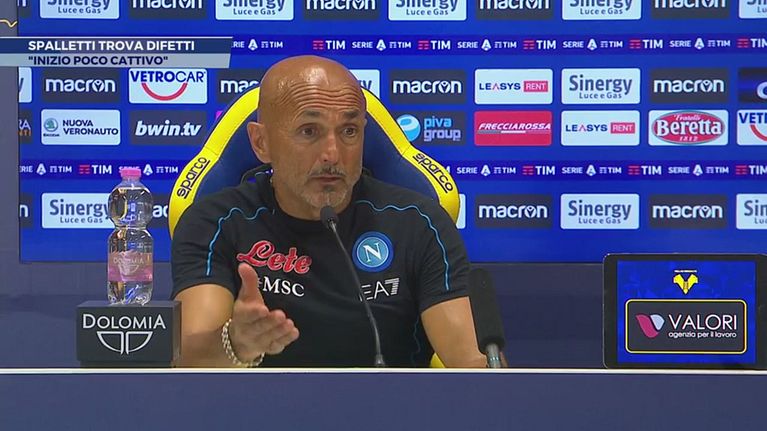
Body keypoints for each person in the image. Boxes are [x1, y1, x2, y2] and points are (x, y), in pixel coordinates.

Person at [171, 55, 487, 368]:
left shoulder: (420, 222)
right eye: (309, 131)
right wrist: (237, 343)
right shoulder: (214, 223)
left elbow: (474, 366)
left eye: (349, 131)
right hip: (257, 402)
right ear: (261, 142)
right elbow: (185, 359)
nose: (332, 154)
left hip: (392, 400)